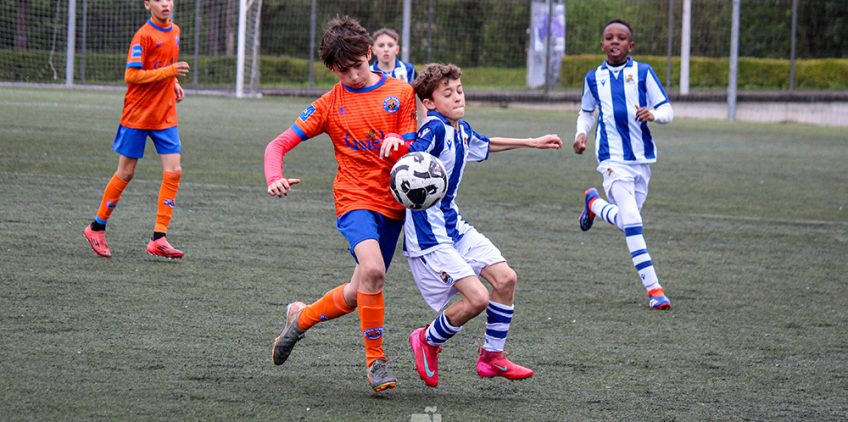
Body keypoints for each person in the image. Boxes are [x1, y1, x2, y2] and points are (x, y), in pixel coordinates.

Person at [264, 16, 417, 393]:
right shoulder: (329, 104)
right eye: (343, 70)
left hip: (393, 205)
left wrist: (401, 143)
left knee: (357, 291)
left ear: (369, 53)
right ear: (332, 69)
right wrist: (274, 176)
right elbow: (277, 145)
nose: (353, 76)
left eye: (358, 66)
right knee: (374, 271)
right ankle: (375, 361)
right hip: (354, 199)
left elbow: (415, 142)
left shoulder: (401, 92)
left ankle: (301, 319)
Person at [405, 63, 562, 388]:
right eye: (448, 94)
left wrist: (532, 142)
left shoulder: (459, 129)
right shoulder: (434, 128)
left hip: (454, 227)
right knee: (476, 299)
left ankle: (492, 357)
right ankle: (427, 340)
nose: (458, 97)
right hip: (429, 235)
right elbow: (411, 155)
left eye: (459, 91)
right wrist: (399, 140)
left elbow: (485, 144)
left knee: (505, 279)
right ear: (429, 103)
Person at [572, 19, 674, 310]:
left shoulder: (643, 72)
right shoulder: (594, 78)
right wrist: (581, 134)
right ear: (602, 44)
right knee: (632, 221)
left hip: (641, 160)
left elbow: (667, 109)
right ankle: (655, 290)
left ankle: (595, 205)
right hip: (611, 158)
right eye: (609, 37)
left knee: (629, 222)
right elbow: (586, 112)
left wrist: (654, 115)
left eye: (621, 38)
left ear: (631, 45)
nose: (614, 42)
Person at [83, 0, 190, 259]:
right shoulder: (142, 36)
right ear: (147, 5)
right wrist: (169, 72)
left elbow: (164, 64)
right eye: (159, 0)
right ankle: (96, 227)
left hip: (164, 114)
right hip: (138, 115)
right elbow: (132, 76)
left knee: (174, 171)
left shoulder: (175, 31)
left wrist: (172, 80)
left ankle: (159, 238)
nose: (165, 4)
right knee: (126, 172)